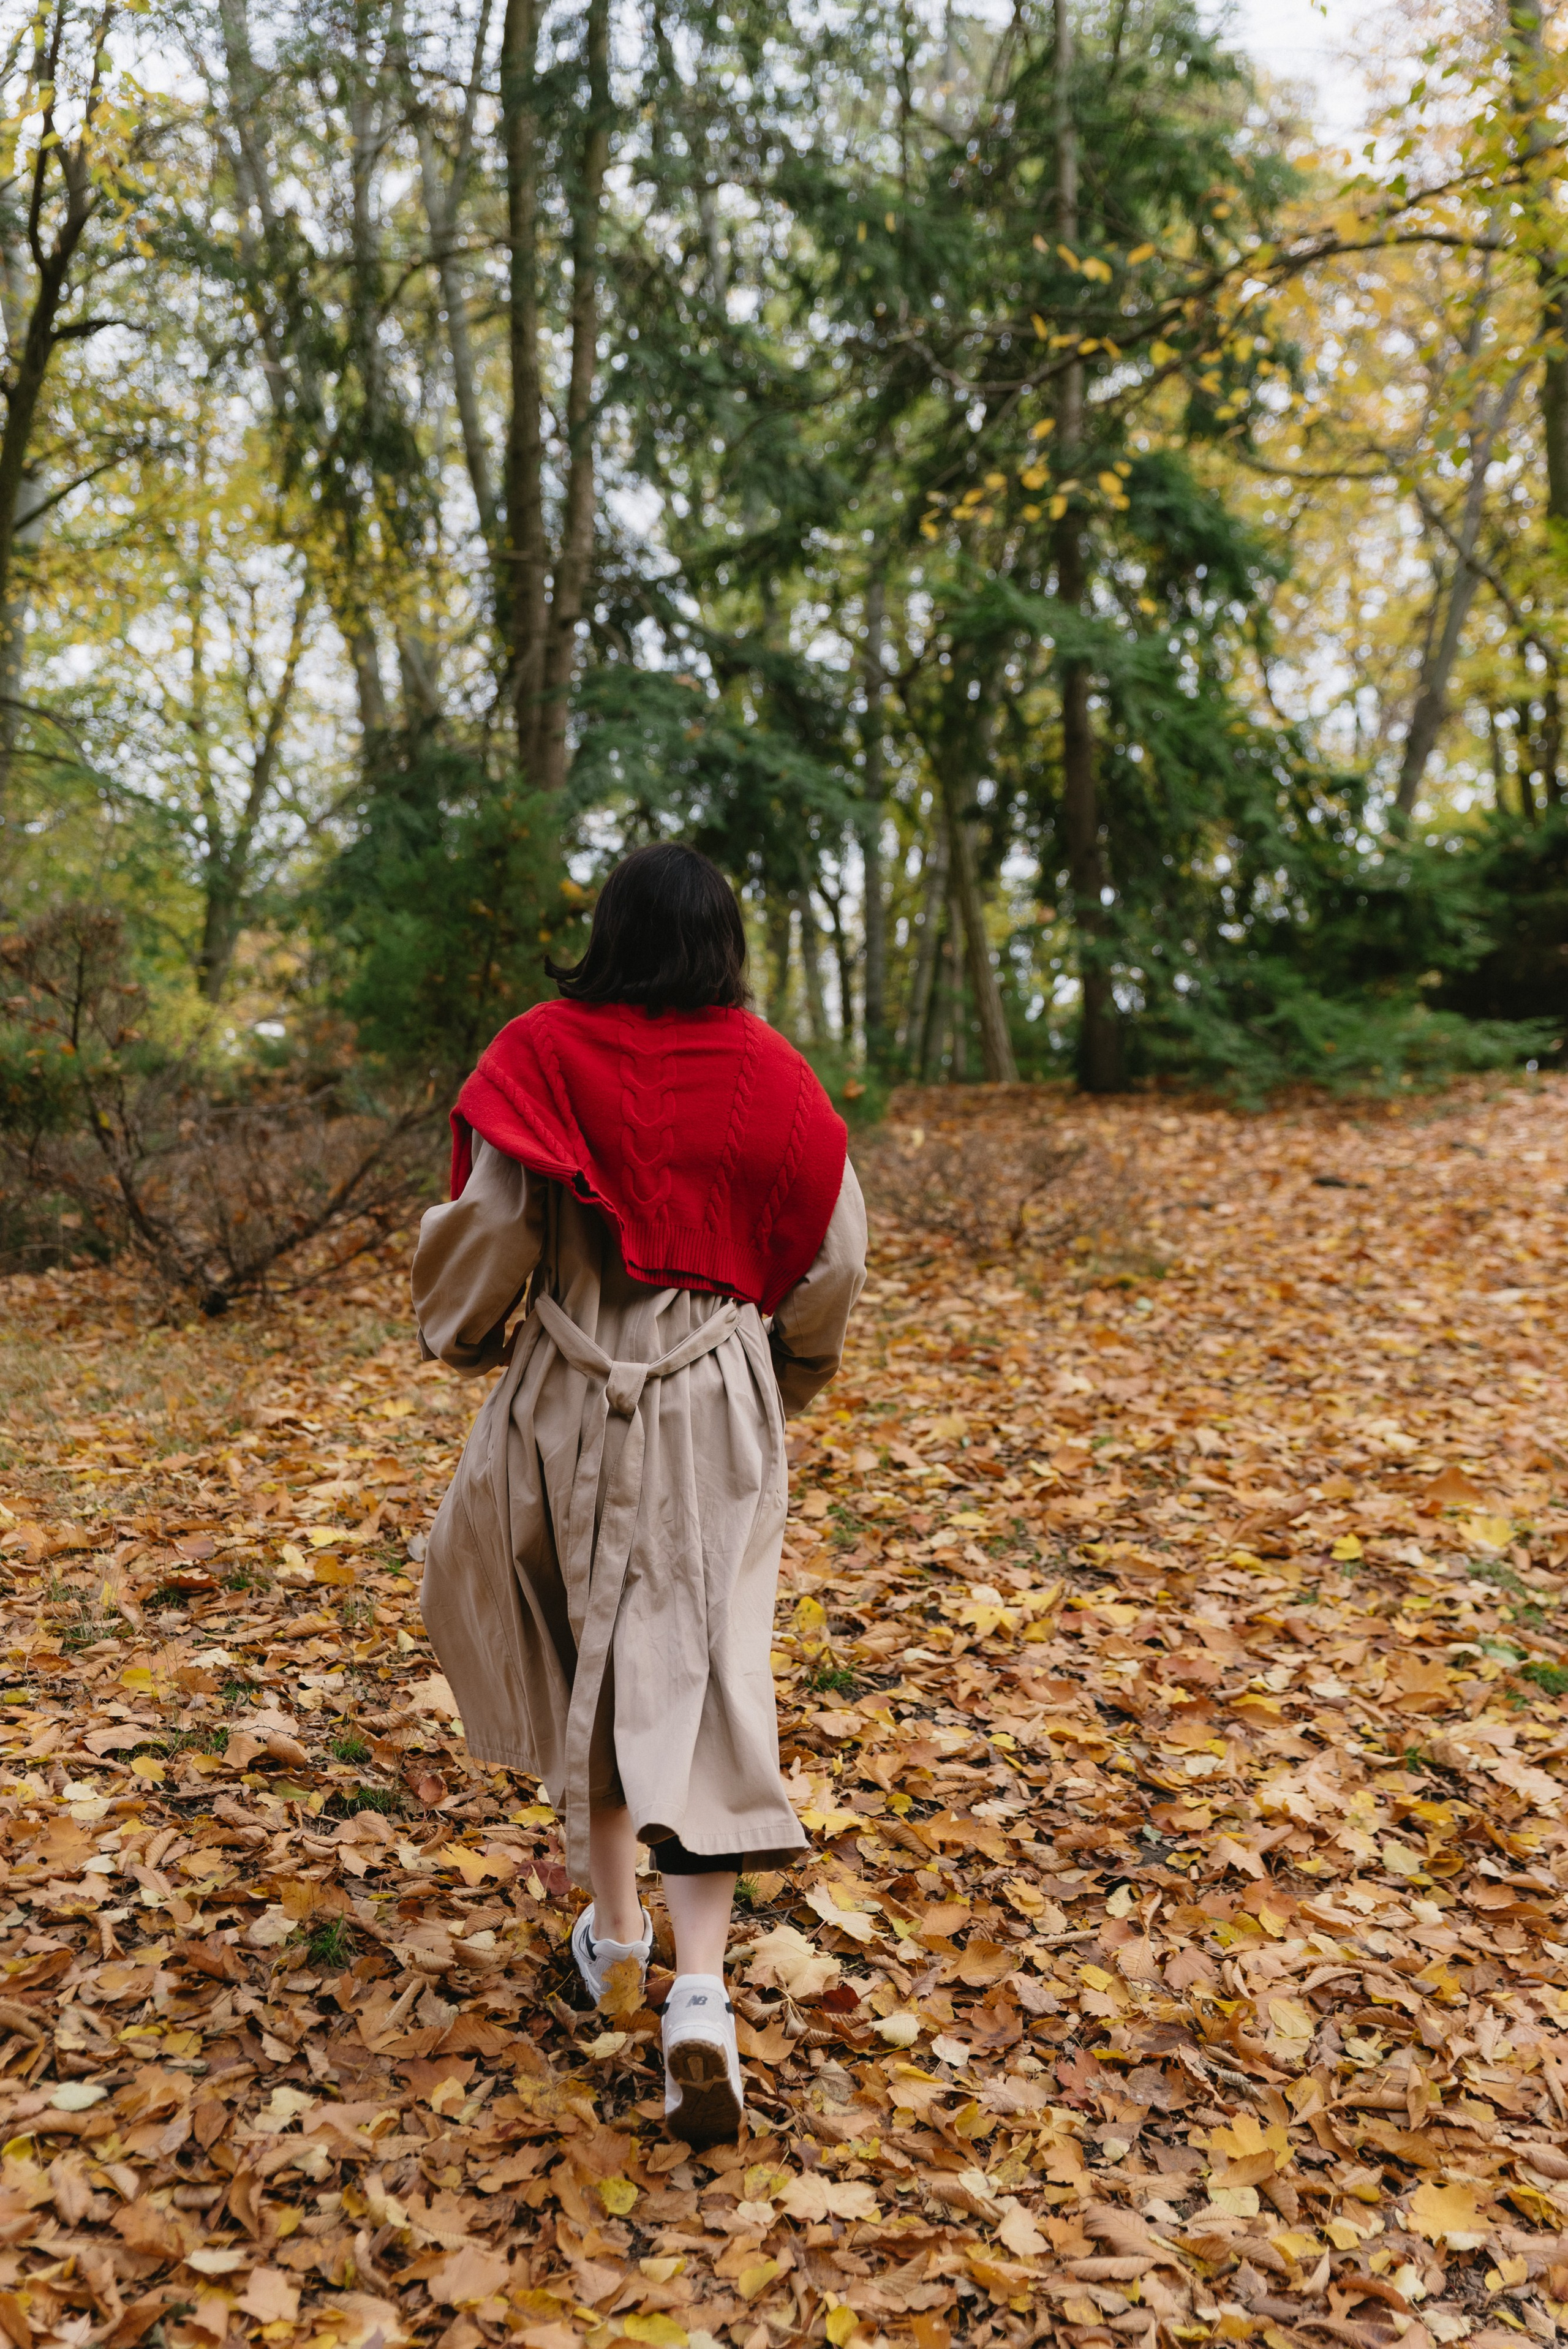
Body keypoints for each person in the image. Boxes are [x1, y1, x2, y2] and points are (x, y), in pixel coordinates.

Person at [410, 843, 867, 2144]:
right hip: (713, 1398)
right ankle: (699, 1995)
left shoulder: (542, 1054)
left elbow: (494, 1227)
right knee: (700, 1672)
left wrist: (465, 1332)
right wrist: (788, 1371)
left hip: (569, 1390)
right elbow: (834, 1254)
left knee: (592, 1660)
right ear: (725, 944)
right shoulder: (774, 1077)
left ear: (607, 933)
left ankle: (616, 1940)